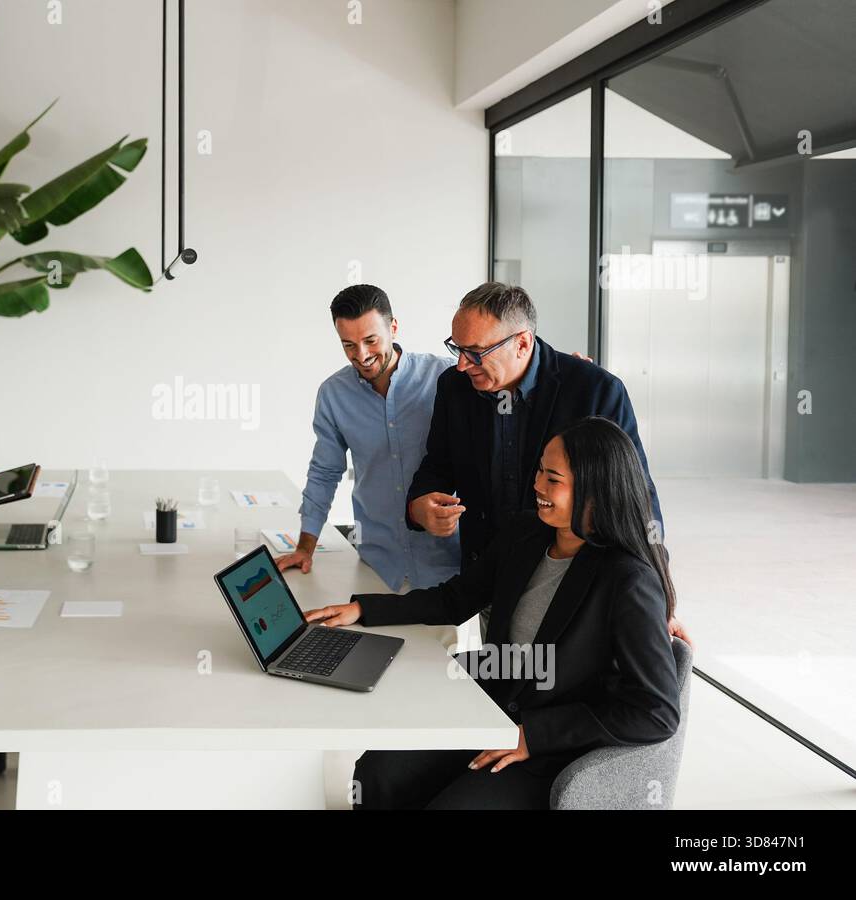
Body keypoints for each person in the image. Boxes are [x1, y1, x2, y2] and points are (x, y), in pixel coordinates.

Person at [305, 416, 682, 809]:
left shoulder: (627, 580)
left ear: (594, 492)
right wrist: (364, 608)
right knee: (377, 775)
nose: (537, 486)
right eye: (539, 471)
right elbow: (455, 599)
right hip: (490, 706)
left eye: (553, 479)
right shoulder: (525, 533)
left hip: (552, 744)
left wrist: (534, 736)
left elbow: (657, 712)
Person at [403, 282, 689, 642]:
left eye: (475, 352)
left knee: (558, 689)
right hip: (493, 580)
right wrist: (420, 504)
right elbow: (438, 464)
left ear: (521, 343)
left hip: (571, 584)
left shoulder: (595, 390)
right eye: (457, 348)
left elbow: (636, 495)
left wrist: (660, 599)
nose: (461, 364)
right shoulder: (454, 388)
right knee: (505, 687)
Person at [276, 284, 460, 596]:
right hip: (377, 564)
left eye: (370, 340)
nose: (361, 355)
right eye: (348, 345)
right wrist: (305, 546)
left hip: (446, 567)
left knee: (437, 648)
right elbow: (325, 472)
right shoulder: (333, 395)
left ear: (394, 328)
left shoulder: (447, 378)